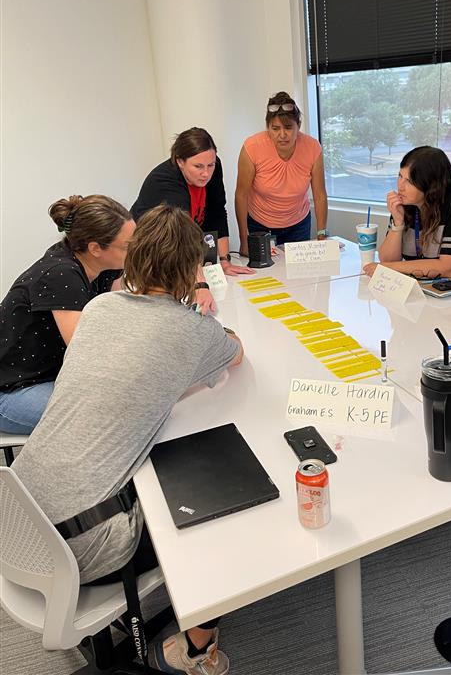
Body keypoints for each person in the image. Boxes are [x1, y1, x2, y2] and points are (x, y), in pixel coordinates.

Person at [13, 205, 243, 675]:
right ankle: (196, 651)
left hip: (16, 515)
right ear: (191, 268)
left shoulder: (98, 308)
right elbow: (235, 353)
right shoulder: (193, 331)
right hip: (79, 545)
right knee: (226, 508)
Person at [0, 195, 134, 433]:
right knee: (113, 418)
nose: (136, 250)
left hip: (51, 374)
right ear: (95, 248)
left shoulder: (99, 266)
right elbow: (86, 352)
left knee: (131, 401)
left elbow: (121, 311)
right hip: (13, 389)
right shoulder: (60, 274)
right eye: (127, 245)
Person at [131, 127, 253, 314]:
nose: (206, 173)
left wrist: (224, 260)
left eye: (210, 165)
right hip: (151, 251)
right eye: (198, 167)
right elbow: (183, 236)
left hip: (182, 248)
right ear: (180, 161)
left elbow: (217, 213)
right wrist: (200, 285)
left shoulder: (213, 167)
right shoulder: (165, 181)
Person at [363, 146, 451, 285]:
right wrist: (398, 223)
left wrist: (386, 268)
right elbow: (388, 260)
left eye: (410, 181)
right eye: (400, 176)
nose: (400, 186)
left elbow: (448, 268)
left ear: (431, 185)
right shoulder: (407, 203)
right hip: (438, 288)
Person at [235, 92, 328, 255]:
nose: (282, 135)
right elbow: (241, 195)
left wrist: (321, 234)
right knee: (265, 276)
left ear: (298, 125)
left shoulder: (313, 148)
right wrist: (244, 240)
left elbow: (319, 194)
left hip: (299, 224)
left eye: (288, 127)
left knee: (299, 276)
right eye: (275, 128)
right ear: (267, 127)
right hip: (260, 225)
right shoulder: (252, 147)